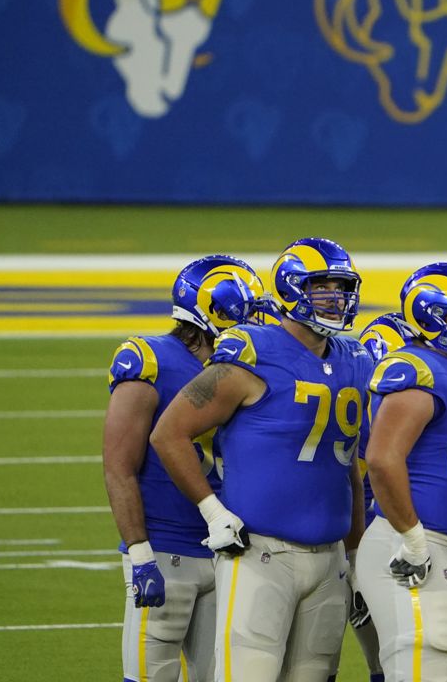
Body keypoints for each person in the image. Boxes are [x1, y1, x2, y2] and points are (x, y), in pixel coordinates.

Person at [150, 237, 374, 682]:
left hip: (329, 558)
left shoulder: (354, 360)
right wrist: (212, 512)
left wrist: (354, 553)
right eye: (322, 286)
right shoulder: (253, 352)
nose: (337, 297)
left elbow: (348, 465)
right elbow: (169, 433)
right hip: (261, 554)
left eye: (342, 287)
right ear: (293, 289)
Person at [104, 255, 269, 682]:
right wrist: (139, 555)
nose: (255, 320)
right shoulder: (150, 359)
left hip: (234, 552)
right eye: (246, 310)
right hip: (166, 549)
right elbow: (119, 465)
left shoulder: (252, 363)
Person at [357, 262, 447, 682]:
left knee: (438, 665)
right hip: (413, 545)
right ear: (429, 317)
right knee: (421, 667)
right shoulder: (416, 371)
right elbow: (382, 458)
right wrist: (414, 539)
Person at [349, 312, 418, 682]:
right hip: (374, 539)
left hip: (402, 537)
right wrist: (354, 558)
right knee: (393, 657)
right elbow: (351, 488)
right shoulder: (361, 416)